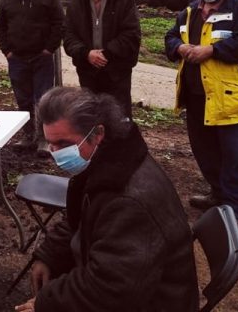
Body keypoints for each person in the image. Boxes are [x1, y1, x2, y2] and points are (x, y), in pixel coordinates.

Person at [15, 87, 198, 312]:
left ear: (98, 133)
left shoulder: (128, 201)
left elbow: (110, 289)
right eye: (51, 144)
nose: (56, 154)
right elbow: (79, 218)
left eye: (64, 144)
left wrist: (47, 302)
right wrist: (49, 255)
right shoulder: (106, 163)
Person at [164, 0, 238, 221]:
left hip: (229, 97)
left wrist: (212, 50)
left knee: (233, 155)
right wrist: (179, 47)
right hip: (196, 97)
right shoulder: (189, 12)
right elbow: (170, 37)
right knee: (204, 151)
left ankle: (234, 209)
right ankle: (218, 195)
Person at [0, 0, 64, 154]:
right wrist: (7, 51)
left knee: (43, 99)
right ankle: (28, 136)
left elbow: (59, 23)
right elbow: (0, 25)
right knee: (23, 99)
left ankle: (44, 139)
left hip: (42, 58)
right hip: (17, 59)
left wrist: (49, 49)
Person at [63, 0, 141, 118]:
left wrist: (107, 54)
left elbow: (131, 35)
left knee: (118, 118)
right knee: (91, 117)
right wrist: (86, 53)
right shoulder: (76, 0)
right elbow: (69, 35)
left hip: (117, 73)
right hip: (87, 72)